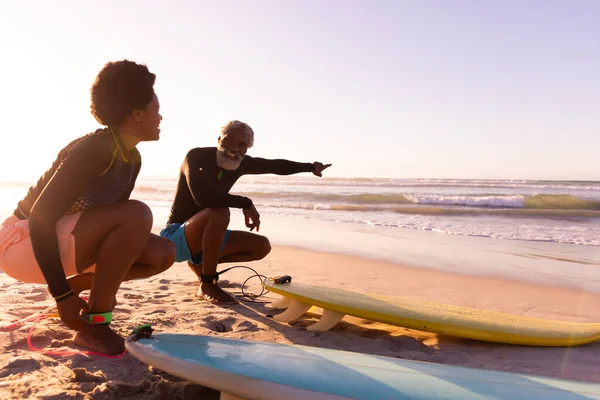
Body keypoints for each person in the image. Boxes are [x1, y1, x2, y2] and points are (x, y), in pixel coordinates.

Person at [0, 60, 176, 355]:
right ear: (136, 114)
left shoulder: (131, 158)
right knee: (138, 213)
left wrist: (102, 284)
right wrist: (62, 295)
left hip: (64, 242)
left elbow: (118, 237)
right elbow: (41, 221)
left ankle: (85, 286)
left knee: (162, 253)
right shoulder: (94, 149)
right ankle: (95, 327)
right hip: (20, 243)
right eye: (156, 110)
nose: (161, 117)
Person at [160, 120, 331, 304]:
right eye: (229, 140)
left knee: (261, 246)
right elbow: (204, 198)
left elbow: (275, 166)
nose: (234, 147)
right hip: (175, 236)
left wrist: (311, 167)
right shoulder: (196, 157)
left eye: (242, 144)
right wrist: (245, 203)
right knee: (219, 212)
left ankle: (200, 263)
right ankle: (207, 284)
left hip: (205, 237)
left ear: (246, 149)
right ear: (219, 139)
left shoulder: (240, 163)